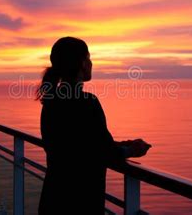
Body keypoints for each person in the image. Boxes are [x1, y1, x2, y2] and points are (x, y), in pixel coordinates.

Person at [37, 37, 151, 214]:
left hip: (53, 198)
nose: (91, 63)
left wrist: (123, 144)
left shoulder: (51, 102)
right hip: (82, 201)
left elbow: (81, 145)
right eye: (88, 58)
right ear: (82, 64)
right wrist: (132, 151)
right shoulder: (87, 102)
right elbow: (104, 153)